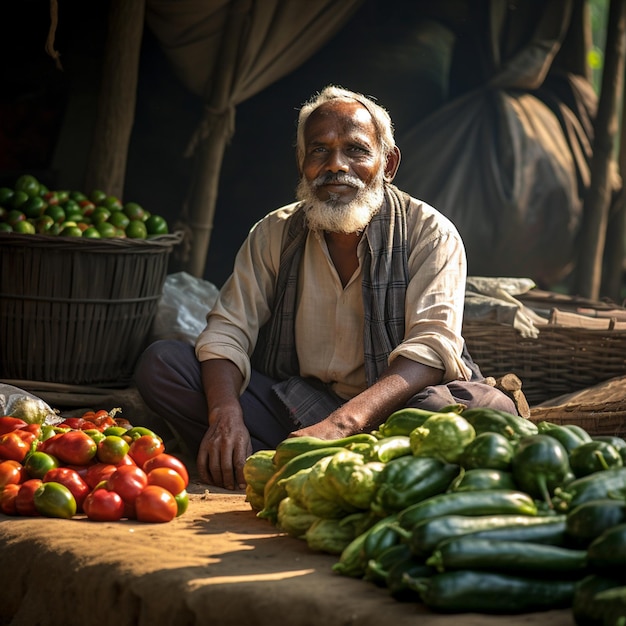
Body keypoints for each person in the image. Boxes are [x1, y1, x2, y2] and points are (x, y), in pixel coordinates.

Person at [134, 85, 518, 490]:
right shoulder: (274, 233)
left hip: (397, 412)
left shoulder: (430, 233)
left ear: (387, 163)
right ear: (302, 162)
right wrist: (225, 414)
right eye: (319, 150)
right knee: (163, 365)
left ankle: (297, 460)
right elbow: (228, 331)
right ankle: (343, 468)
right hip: (297, 405)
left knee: (471, 409)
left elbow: (431, 347)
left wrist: (340, 425)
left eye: (355, 150)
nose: (335, 165)